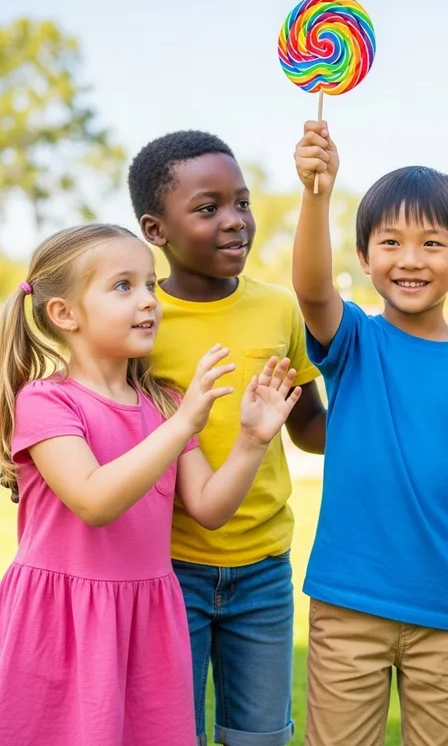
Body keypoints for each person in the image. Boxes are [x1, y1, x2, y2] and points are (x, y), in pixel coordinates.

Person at [0, 223, 302, 746]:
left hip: (149, 617)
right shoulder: (46, 401)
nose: (147, 300)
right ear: (65, 314)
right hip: (63, 618)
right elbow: (94, 499)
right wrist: (183, 424)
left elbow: (209, 507)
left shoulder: (162, 403)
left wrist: (253, 440)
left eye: (149, 284)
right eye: (123, 286)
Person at [293, 120, 448, 746]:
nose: (411, 259)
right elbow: (310, 288)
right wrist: (316, 193)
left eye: (432, 243)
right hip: (348, 601)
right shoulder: (354, 340)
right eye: (390, 242)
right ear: (364, 257)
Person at [128, 130, 325, 746]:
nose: (235, 220)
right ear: (156, 230)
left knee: (261, 736)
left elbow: (310, 427)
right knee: (170, 733)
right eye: (207, 208)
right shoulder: (139, 322)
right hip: (166, 569)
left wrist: (387, 414)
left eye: (241, 202)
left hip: (263, 571)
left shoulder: (279, 309)